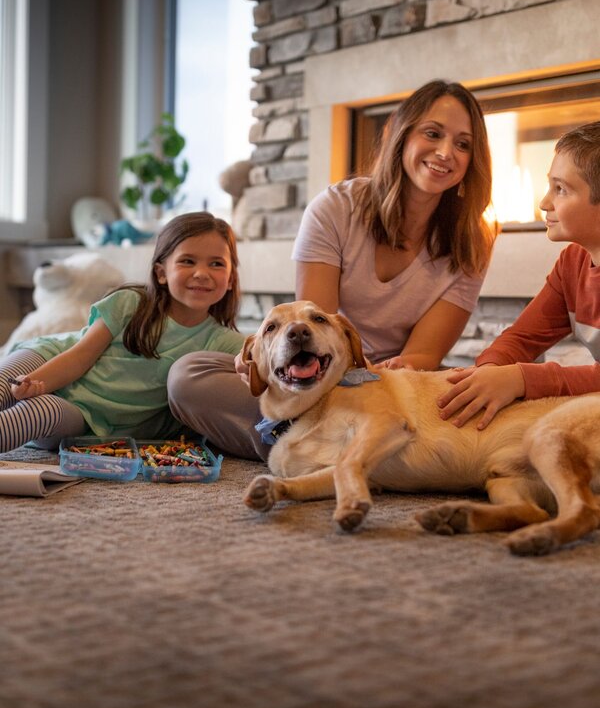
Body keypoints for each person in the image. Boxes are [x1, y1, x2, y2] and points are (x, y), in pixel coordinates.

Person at [168, 80, 496, 460]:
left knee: (478, 394)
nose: (445, 152)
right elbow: (314, 332)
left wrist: (380, 381)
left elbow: (423, 355)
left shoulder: (475, 239)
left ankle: (311, 444)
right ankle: (361, 447)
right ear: (400, 135)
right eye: (433, 133)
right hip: (318, 375)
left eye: (463, 144)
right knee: (189, 375)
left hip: (394, 383)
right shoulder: (336, 208)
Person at [0, 212, 243, 453]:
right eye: (187, 261)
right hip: (51, 356)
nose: (201, 273)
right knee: (3, 388)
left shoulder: (223, 342)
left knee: (40, 412)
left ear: (231, 279)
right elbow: (79, 356)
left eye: (216, 264)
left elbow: (262, 365)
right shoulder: (130, 303)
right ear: (161, 273)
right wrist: (35, 382)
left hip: (85, 418)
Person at [437, 121, 600, 431]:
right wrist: (489, 373)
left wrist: (522, 379)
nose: (544, 203)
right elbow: (522, 338)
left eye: (561, 189)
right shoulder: (572, 264)